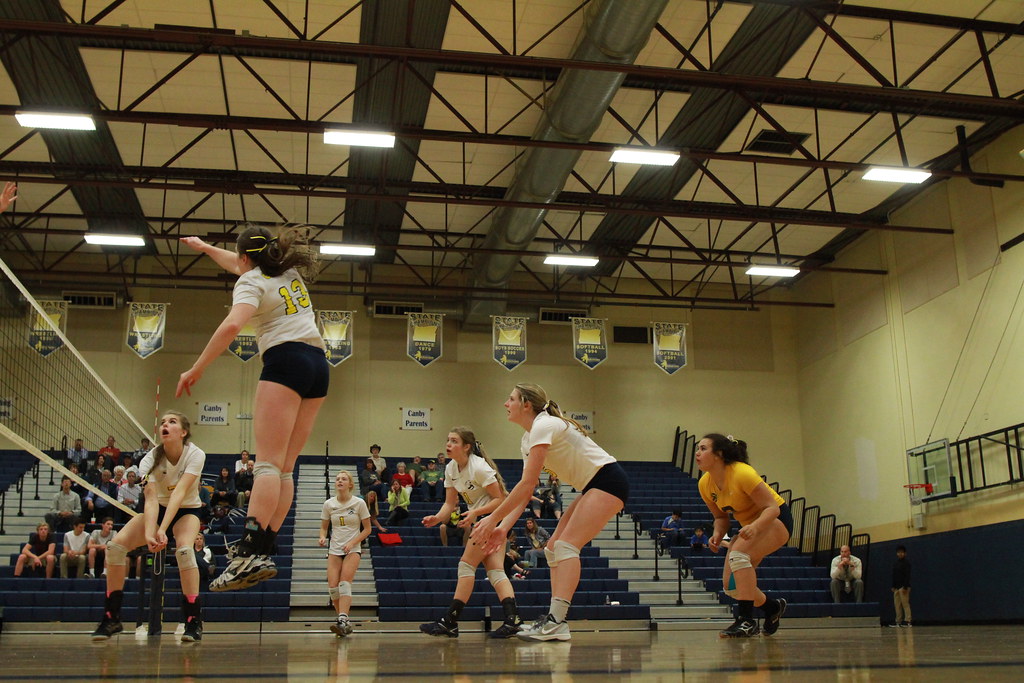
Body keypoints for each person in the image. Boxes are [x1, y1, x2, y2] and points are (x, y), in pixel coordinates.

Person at [178, 225, 329, 592]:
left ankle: (248, 553)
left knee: (266, 463)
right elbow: (239, 263)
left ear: (246, 257)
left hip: (285, 360)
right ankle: (264, 547)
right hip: (318, 364)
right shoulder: (284, 271)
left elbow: (232, 325)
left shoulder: (249, 283)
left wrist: (196, 368)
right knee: (285, 467)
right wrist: (204, 247)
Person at [471, 384, 630, 642]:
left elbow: (526, 484)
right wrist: (502, 528)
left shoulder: (545, 425)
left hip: (608, 480)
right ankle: (555, 621)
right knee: (552, 548)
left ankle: (557, 620)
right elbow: (525, 492)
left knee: (566, 546)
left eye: (510, 399)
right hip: (593, 485)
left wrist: (491, 519)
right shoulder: (529, 437)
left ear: (526, 404)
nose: (505, 404)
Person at [90, 410, 207, 643]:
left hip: (187, 509)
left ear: (183, 432)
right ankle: (112, 616)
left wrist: (162, 529)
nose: (165, 424)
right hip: (158, 508)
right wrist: (149, 533)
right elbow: (151, 498)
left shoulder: (195, 454)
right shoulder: (149, 459)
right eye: (163, 422)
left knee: (184, 551)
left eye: (172, 422)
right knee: (115, 547)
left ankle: (193, 621)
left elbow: (180, 493)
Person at [420, 427, 523, 639]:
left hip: (495, 518)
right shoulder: (451, 468)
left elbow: (501, 499)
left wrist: (475, 511)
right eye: (447, 440)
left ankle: (450, 621)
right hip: (488, 519)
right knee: (495, 571)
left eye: (454, 441)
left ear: (466, 447)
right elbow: (450, 503)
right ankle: (513, 619)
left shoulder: (479, 467)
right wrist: (437, 518)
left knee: (466, 565)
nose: (448, 444)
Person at [695, 433, 792, 638]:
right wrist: (717, 533)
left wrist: (756, 526)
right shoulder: (705, 484)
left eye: (703, 448)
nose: (697, 453)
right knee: (731, 587)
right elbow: (721, 517)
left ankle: (746, 620)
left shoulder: (742, 473)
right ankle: (772, 608)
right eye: (698, 448)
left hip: (775, 520)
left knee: (738, 555)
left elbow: (772, 508)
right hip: (751, 526)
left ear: (719, 454)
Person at [319, 471, 372, 637]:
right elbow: (324, 527)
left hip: (352, 549)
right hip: (334, 549)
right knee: (333, 588)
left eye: (344, 479)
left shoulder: (359, 503)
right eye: (337, 479)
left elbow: (368, 529)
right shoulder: (329, 504)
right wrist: (322, 537)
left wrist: (352, 542)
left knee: (344, 583)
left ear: (350, 484)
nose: (339, 481)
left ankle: (342, 619)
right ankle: (343, 621)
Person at [892, 545, 912, 627]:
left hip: (904, 587)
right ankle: (898, 621)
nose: (900, 554)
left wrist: (905, 587)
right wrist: (893, 586)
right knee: (897, 605)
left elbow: (907, 576)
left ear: (905, 553)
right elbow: (894, 575)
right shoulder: (896, 563)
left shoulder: (906, 563)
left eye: (902, 552)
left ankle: (908, 621)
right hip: (897, 587)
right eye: (898, 552)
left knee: (905, 604)